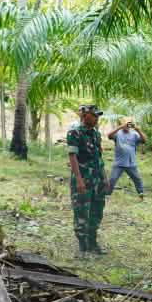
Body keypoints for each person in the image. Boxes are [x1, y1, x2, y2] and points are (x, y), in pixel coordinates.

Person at [67, 105, 110, 258]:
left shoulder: (96, 134)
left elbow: (99, 157)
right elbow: (72, 157)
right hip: (83, 178)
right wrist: (78, 180)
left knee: (96, 211)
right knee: (82, 212)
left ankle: (93, 242)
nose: (97, 118)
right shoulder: (75, 133)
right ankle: (83, 247)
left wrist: (105, 178)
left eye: (98, 116)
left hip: (97, 179)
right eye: (94, 115)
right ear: (85, 115)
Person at [107, 117, 147, 201]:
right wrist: (120, 127)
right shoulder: (118, 133)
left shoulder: (134, 134)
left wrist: (138, 130)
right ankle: (107, 195)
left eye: (130, 123)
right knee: (112, 179)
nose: (128, 125)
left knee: (137, 179)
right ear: (122, 123)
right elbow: (109, 135)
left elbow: (144, 140)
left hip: (131, 163)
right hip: (119, 163)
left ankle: (141, 194)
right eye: (126, 123)